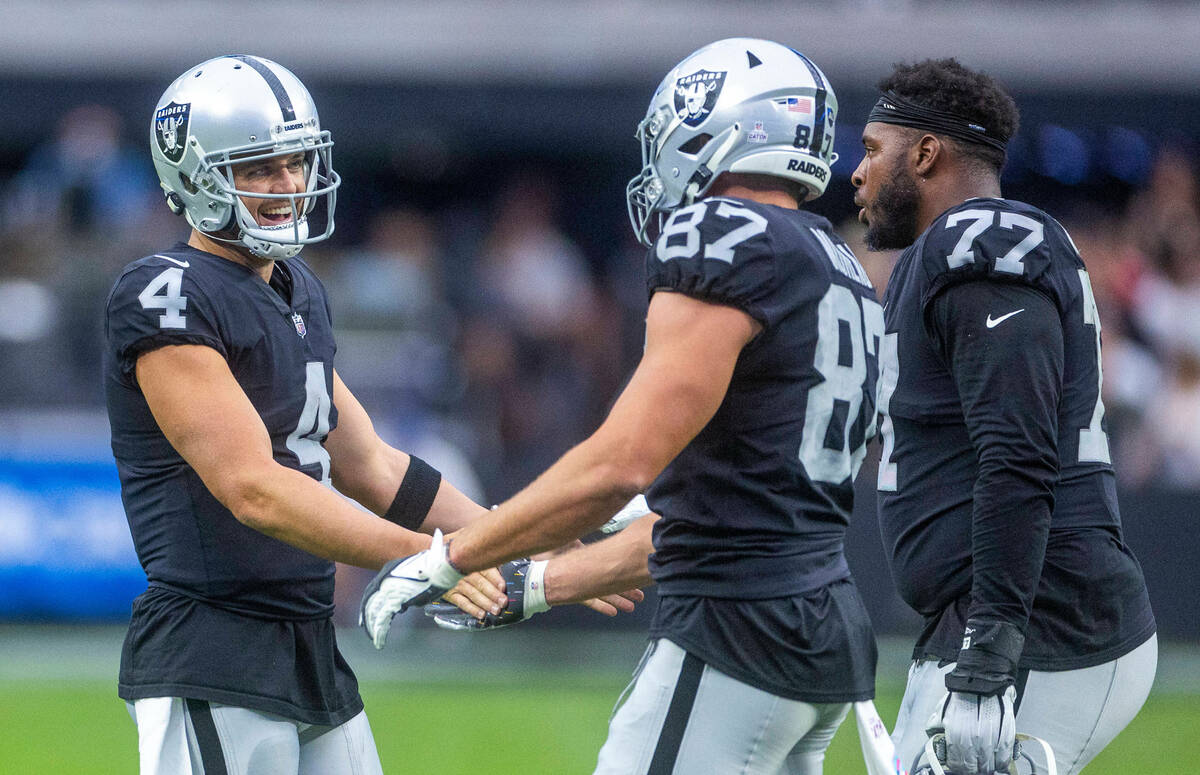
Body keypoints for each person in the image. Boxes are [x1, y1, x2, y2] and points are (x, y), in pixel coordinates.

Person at [361, 38, 882, 775]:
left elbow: (619, 464)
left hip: (738, 632)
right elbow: (718, 518)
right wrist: (536, 585)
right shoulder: (833, 259)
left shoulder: (725, 233)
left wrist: (450, 557)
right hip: (819, 625)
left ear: (724, 128)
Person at [104, 55, 636, 775]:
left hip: (307, 641)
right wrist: (422, 557)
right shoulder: (167, 292)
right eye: (260, 167)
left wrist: (510, 543)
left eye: (295, 161)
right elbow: (251, 485)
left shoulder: (295, 289)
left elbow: (376, 466)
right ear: (193, 176)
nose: (288, 184)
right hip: (213, 647)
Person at [850, 59, 1157, 775]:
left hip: (1042, 621)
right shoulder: (944, 255)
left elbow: (1017, 453)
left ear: (926, 152)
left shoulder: (981, 243)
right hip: (994, 618)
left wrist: (990, 653)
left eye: (871, 149)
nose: (858, 174)